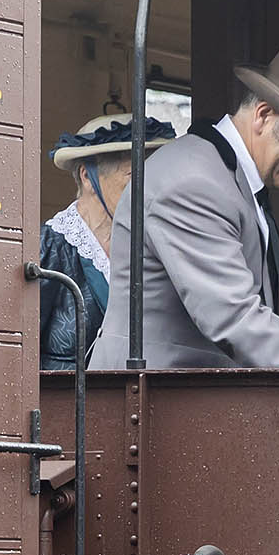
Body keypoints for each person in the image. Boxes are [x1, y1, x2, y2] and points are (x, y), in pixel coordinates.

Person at [89, 15, 279, 448]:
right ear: (263, 115)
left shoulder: (227, 180)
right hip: (146, 423)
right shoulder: (195, 182)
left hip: (183, 417)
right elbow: (234, 315)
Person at [37, 109, 173, 369]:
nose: (145, 192)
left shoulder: (154, 242)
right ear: (88, 178)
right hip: (65, 406)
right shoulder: (50, 247)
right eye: (133, 179)